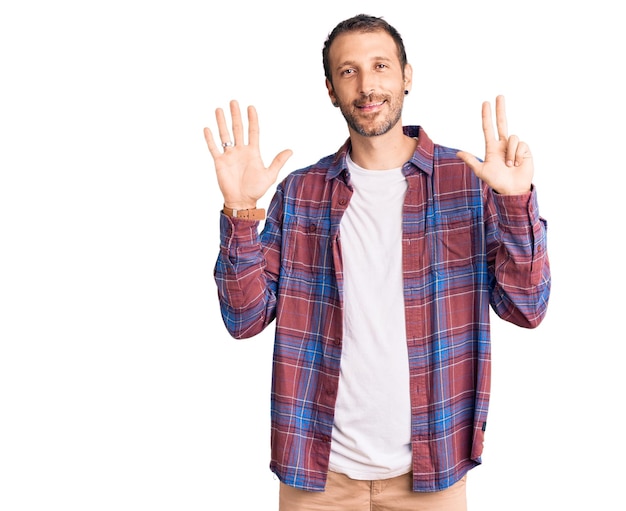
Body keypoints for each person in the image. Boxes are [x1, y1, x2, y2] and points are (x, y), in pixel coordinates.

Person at [204, 13, 550, 511]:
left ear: (407, 76)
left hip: (433, 477)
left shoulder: (468, 181)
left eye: (381, 66)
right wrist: (239, 212)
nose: (367, 85)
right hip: (317, 479)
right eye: (349, 71)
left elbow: (527, 308)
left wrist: (516, 205)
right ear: (330, 89)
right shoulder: (301, 192)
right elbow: (243, 320)